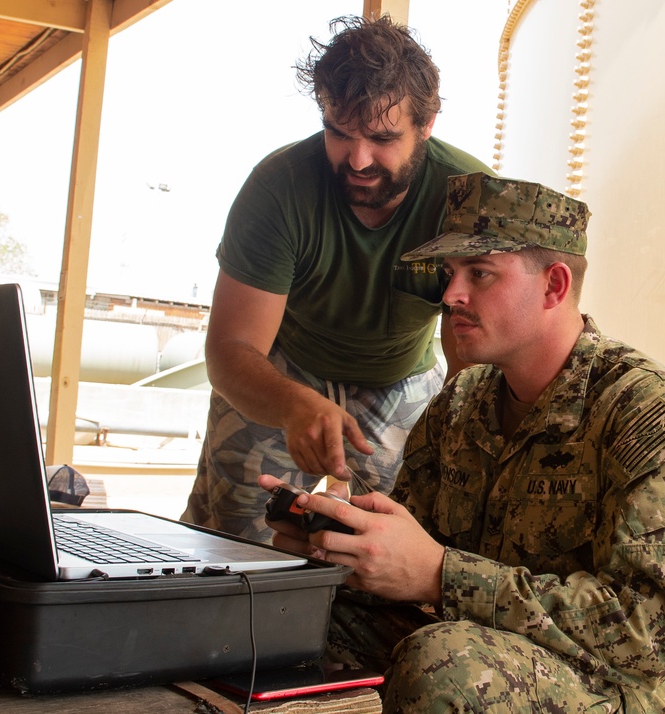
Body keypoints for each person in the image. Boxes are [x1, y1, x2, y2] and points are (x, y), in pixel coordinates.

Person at [259, 172, 665, 712]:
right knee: (291, 610)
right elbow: (408, 553)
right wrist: (338, 541)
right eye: (450, 272)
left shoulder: (654, 418)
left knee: (445, 667)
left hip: (626, 688)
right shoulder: (462, 402)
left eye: (480, 273)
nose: (452, 294)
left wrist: (441, 574)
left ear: (554, 285)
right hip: (480, 643)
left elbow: (643, 638)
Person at [181, 15, 493, 542]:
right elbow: (230, 349)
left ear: (428, 123)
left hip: (405, 376)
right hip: (282, 371)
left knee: (403, 541)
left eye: (383, 138)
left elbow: (474, 345)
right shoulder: (277, 188)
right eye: (339, 133)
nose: (358, 159)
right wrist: (292, 402)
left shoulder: (468, 196)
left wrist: (462, 433)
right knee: (233, 542)